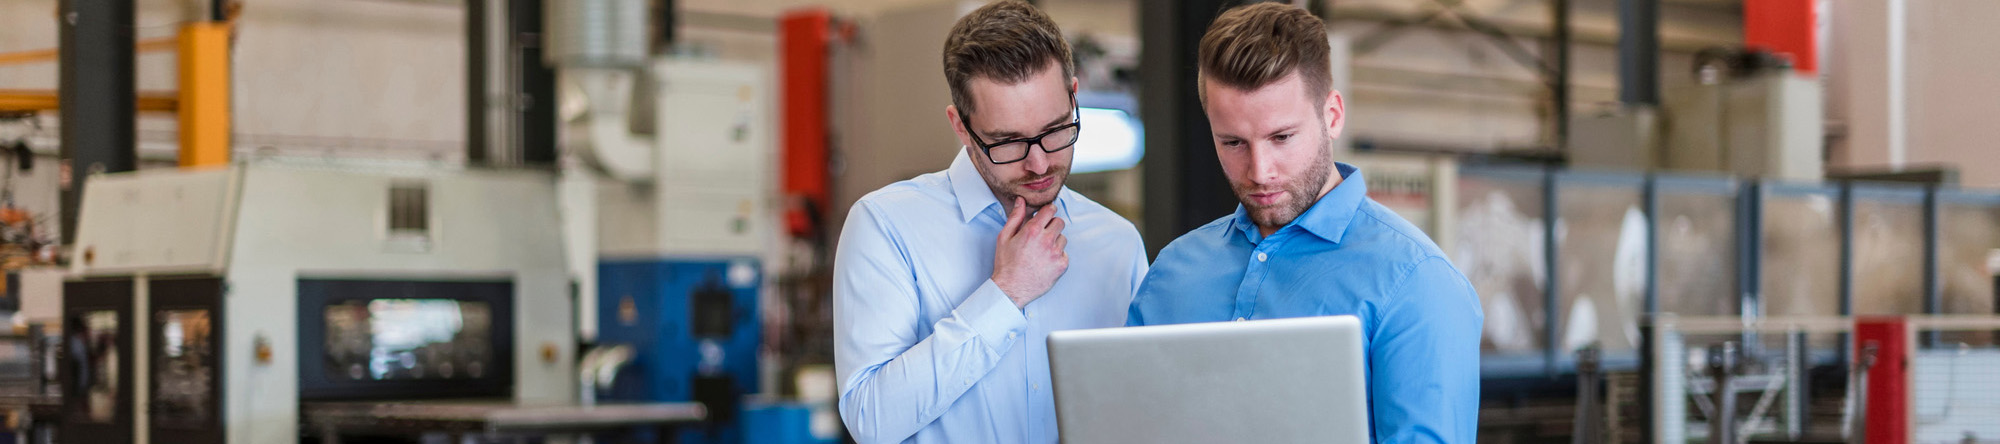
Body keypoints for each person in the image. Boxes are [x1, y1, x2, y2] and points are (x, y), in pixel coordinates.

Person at [1125, 3, 1483, 443]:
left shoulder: (1417, 283)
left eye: (1281, 137)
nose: (1260, 170)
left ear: (1331, 116)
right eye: (1233, 142)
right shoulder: (1173, 272)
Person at [832, 2, 1147, 443]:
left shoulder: (1117, 242)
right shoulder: (886, 225)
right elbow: (872, 420)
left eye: (1056, 129)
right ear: (960, 127)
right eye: (1008, 142)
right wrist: (1006, 294)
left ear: (1074, 96)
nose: (1039, 163)